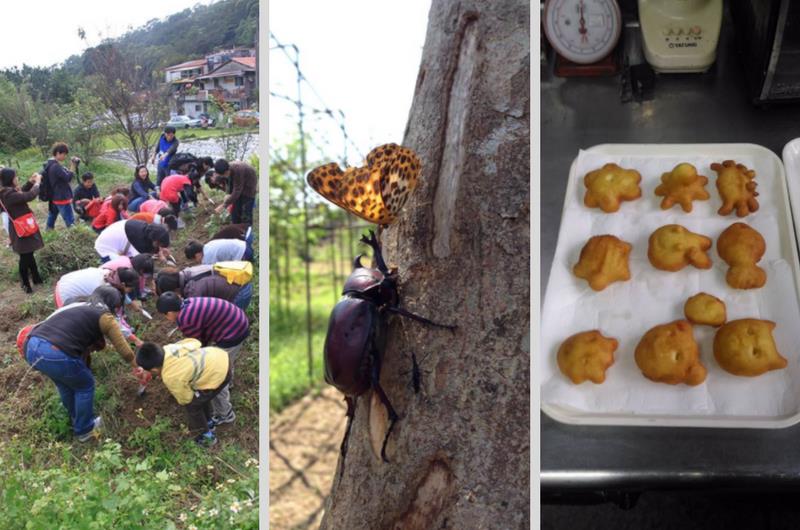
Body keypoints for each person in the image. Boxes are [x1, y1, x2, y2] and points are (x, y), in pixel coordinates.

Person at [23, 286, 138, 441]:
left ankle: (76, 419)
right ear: (112, 304)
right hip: (55, 350)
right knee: (85, 385)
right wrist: (137, 367)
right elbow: (124, 350)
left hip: (32, 346)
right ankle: (84, 430)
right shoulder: (104, 316)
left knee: (66, 385)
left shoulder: (77, 305)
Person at [156, 292, 249, 425]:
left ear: (170, 312)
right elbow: (200, 340)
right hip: (237, 321)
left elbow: (197, 343)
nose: (166, 318)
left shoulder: (186, 320)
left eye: (165, 315)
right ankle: (229, 381)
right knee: (224, 361)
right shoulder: (187, 303)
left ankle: (225, 414)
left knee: (217, 376)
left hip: (233, 333)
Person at [136, 339, 230, 446]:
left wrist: (187, 399)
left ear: (154, 370)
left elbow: (186, 399)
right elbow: (196, 342)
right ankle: (209, 422)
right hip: (219, 356)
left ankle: (207, 437)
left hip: (219, 373)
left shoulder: (170, 376)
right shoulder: (168, 348)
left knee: (193, 407)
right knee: (200, 395)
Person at [0, 168, 44, 293]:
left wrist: (30, 182)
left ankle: (36, 278)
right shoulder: (7, 194)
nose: (17, 179)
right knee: (25, 256)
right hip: (20, 228)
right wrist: (37, 183)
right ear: (11, 179)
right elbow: (29, 196)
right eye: (16, 177)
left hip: (22, 226)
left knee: (29, 253)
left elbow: (22, 193)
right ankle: (25, 284)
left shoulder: (7, 191)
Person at [155, 263, 253, 310]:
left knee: (232, 323)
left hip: (240, 293)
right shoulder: (187, 272)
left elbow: (203, 314)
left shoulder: (193, 292)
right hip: (238, 280)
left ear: (175, 290)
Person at [94, 219, 171, 263]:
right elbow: (140, 260)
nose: (159, 247)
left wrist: (159, 251)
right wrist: (159, 255)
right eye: (159, 244)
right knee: (126, 266)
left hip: (116, 238)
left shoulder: (147, 230)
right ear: (155, 239)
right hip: (105, 248)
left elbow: (150, 246)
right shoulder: (138, 241)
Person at [42, 142, 77, 229]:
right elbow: (68, 178)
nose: (65, 157)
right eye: (64, 154)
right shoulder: (55, 166)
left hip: (54, 196)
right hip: (61, 197)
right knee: (70, 221)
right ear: (58, 153)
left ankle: (48, 231)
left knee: (52, 216)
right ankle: (75, 234)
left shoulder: (49, 164)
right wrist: (73, 166)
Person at [211, 159, 256, 225]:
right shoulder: (225, 169)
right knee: (235, 212)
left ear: (228, 169)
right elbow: (229, 184)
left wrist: (224, 205)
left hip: (249, 187)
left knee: (246, 213)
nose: (224, 176)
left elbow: (237, 190)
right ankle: (236, 228)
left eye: (225, 174)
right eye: (222, 175)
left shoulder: (238, 169)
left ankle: (246, 230)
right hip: (239, 185)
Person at [184, 237, 253, 265]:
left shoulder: (208, 257)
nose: (196, 262)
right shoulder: (208, 245)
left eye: (194, 259)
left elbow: (214, 272)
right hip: (245, 246)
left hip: (244, 254)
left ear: (197, 255)